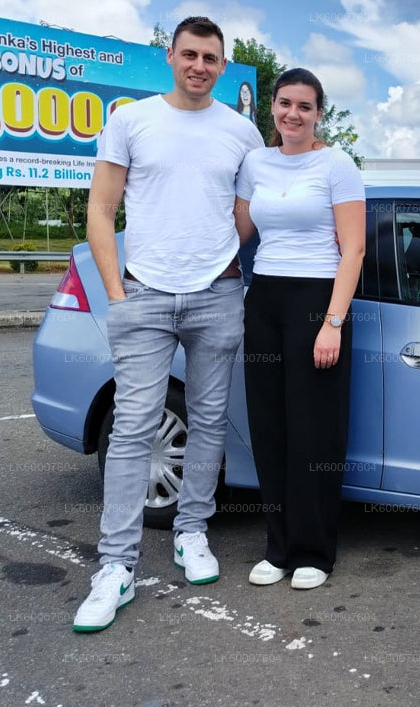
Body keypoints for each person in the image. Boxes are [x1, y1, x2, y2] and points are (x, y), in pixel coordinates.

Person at [74, 16, 264, 633]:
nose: (199, 66)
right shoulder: (131, 120)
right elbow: (101, 209)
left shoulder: (241, 132)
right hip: (145, 295)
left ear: (222, 65)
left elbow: (246, 213)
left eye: (210, 58)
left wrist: (219, 256)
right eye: (190, 54)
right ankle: (116, 567)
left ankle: (191, 532)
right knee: (133, 427)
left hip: (217, 295)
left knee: (208, 421)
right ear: (171, 56)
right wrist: (116, 294)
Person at [234, 68, 365, 591]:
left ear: (318, 114)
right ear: (272, 107)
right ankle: (278, 547)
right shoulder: (255, 163)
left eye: (304, 106)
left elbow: (353, 249)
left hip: (317, 300)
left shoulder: (336, 164)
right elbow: (238, 231)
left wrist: (333, 322)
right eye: (285, 103)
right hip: (264, 298)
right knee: (269, 428)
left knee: (315, 431)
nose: (293, 114)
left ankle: (314, 551)